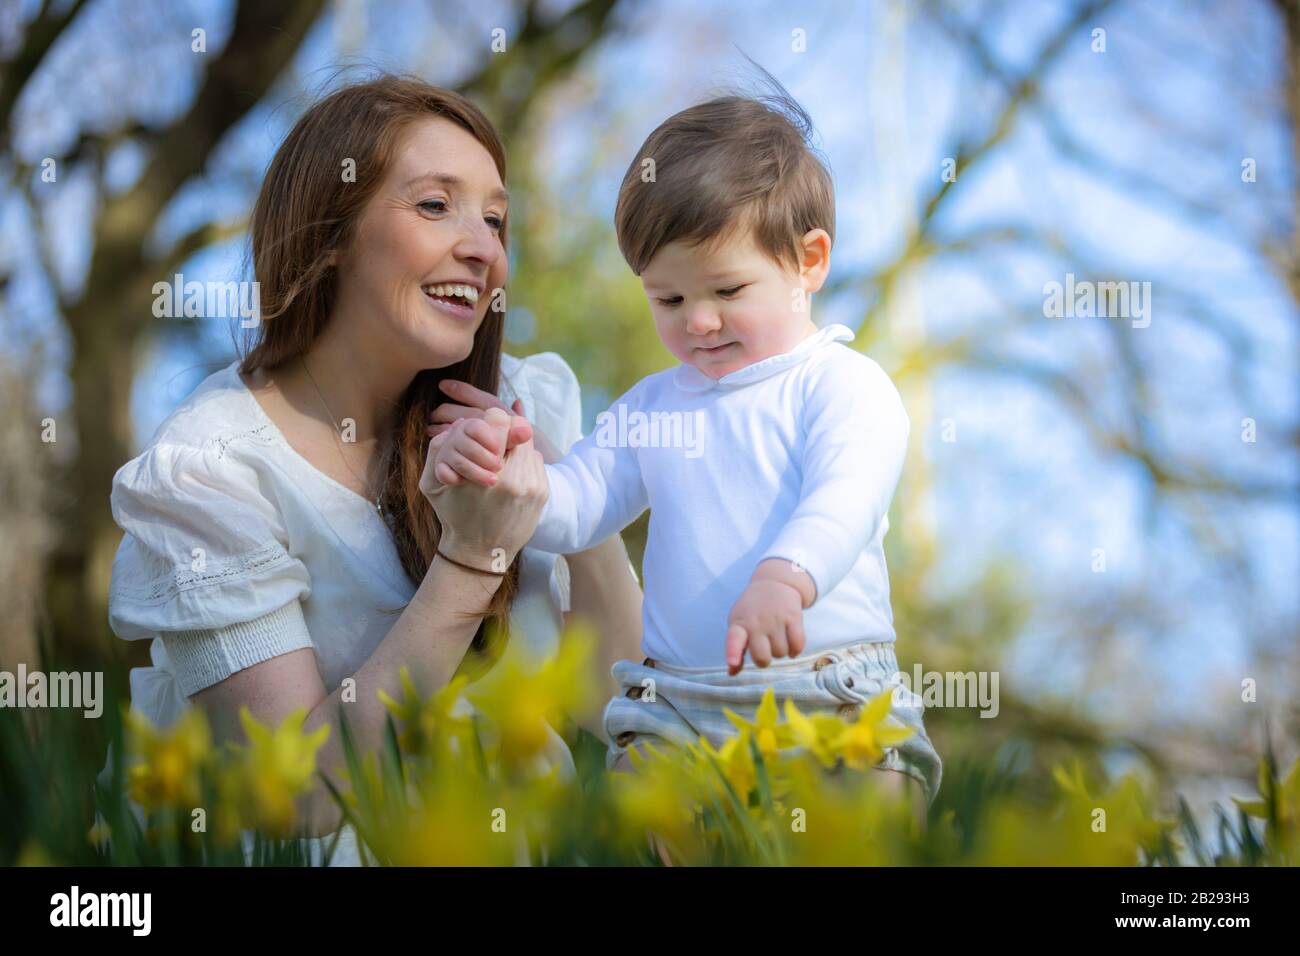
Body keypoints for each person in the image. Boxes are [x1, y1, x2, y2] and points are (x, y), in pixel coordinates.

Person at [102, 75, 643, 864]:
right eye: (435, 206)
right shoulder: (208, 471)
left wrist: (572, 502)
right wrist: (471, 562)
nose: (484, 247)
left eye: (496, 220)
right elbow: (300, 797)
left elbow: (614, 700)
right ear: (329, 235)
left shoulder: (525, 403)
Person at [429, 82, 943, 817]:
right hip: (676, 702)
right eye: (668, 300)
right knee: (656, 822)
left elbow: (846, 499)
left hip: (825, 684)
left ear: (810, 262)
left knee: (867, 823)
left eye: (728, 289)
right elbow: (577, 511)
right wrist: (509, 464)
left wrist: (786, 579)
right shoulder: (652, 405)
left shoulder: (840, 385)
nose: (699, 322)